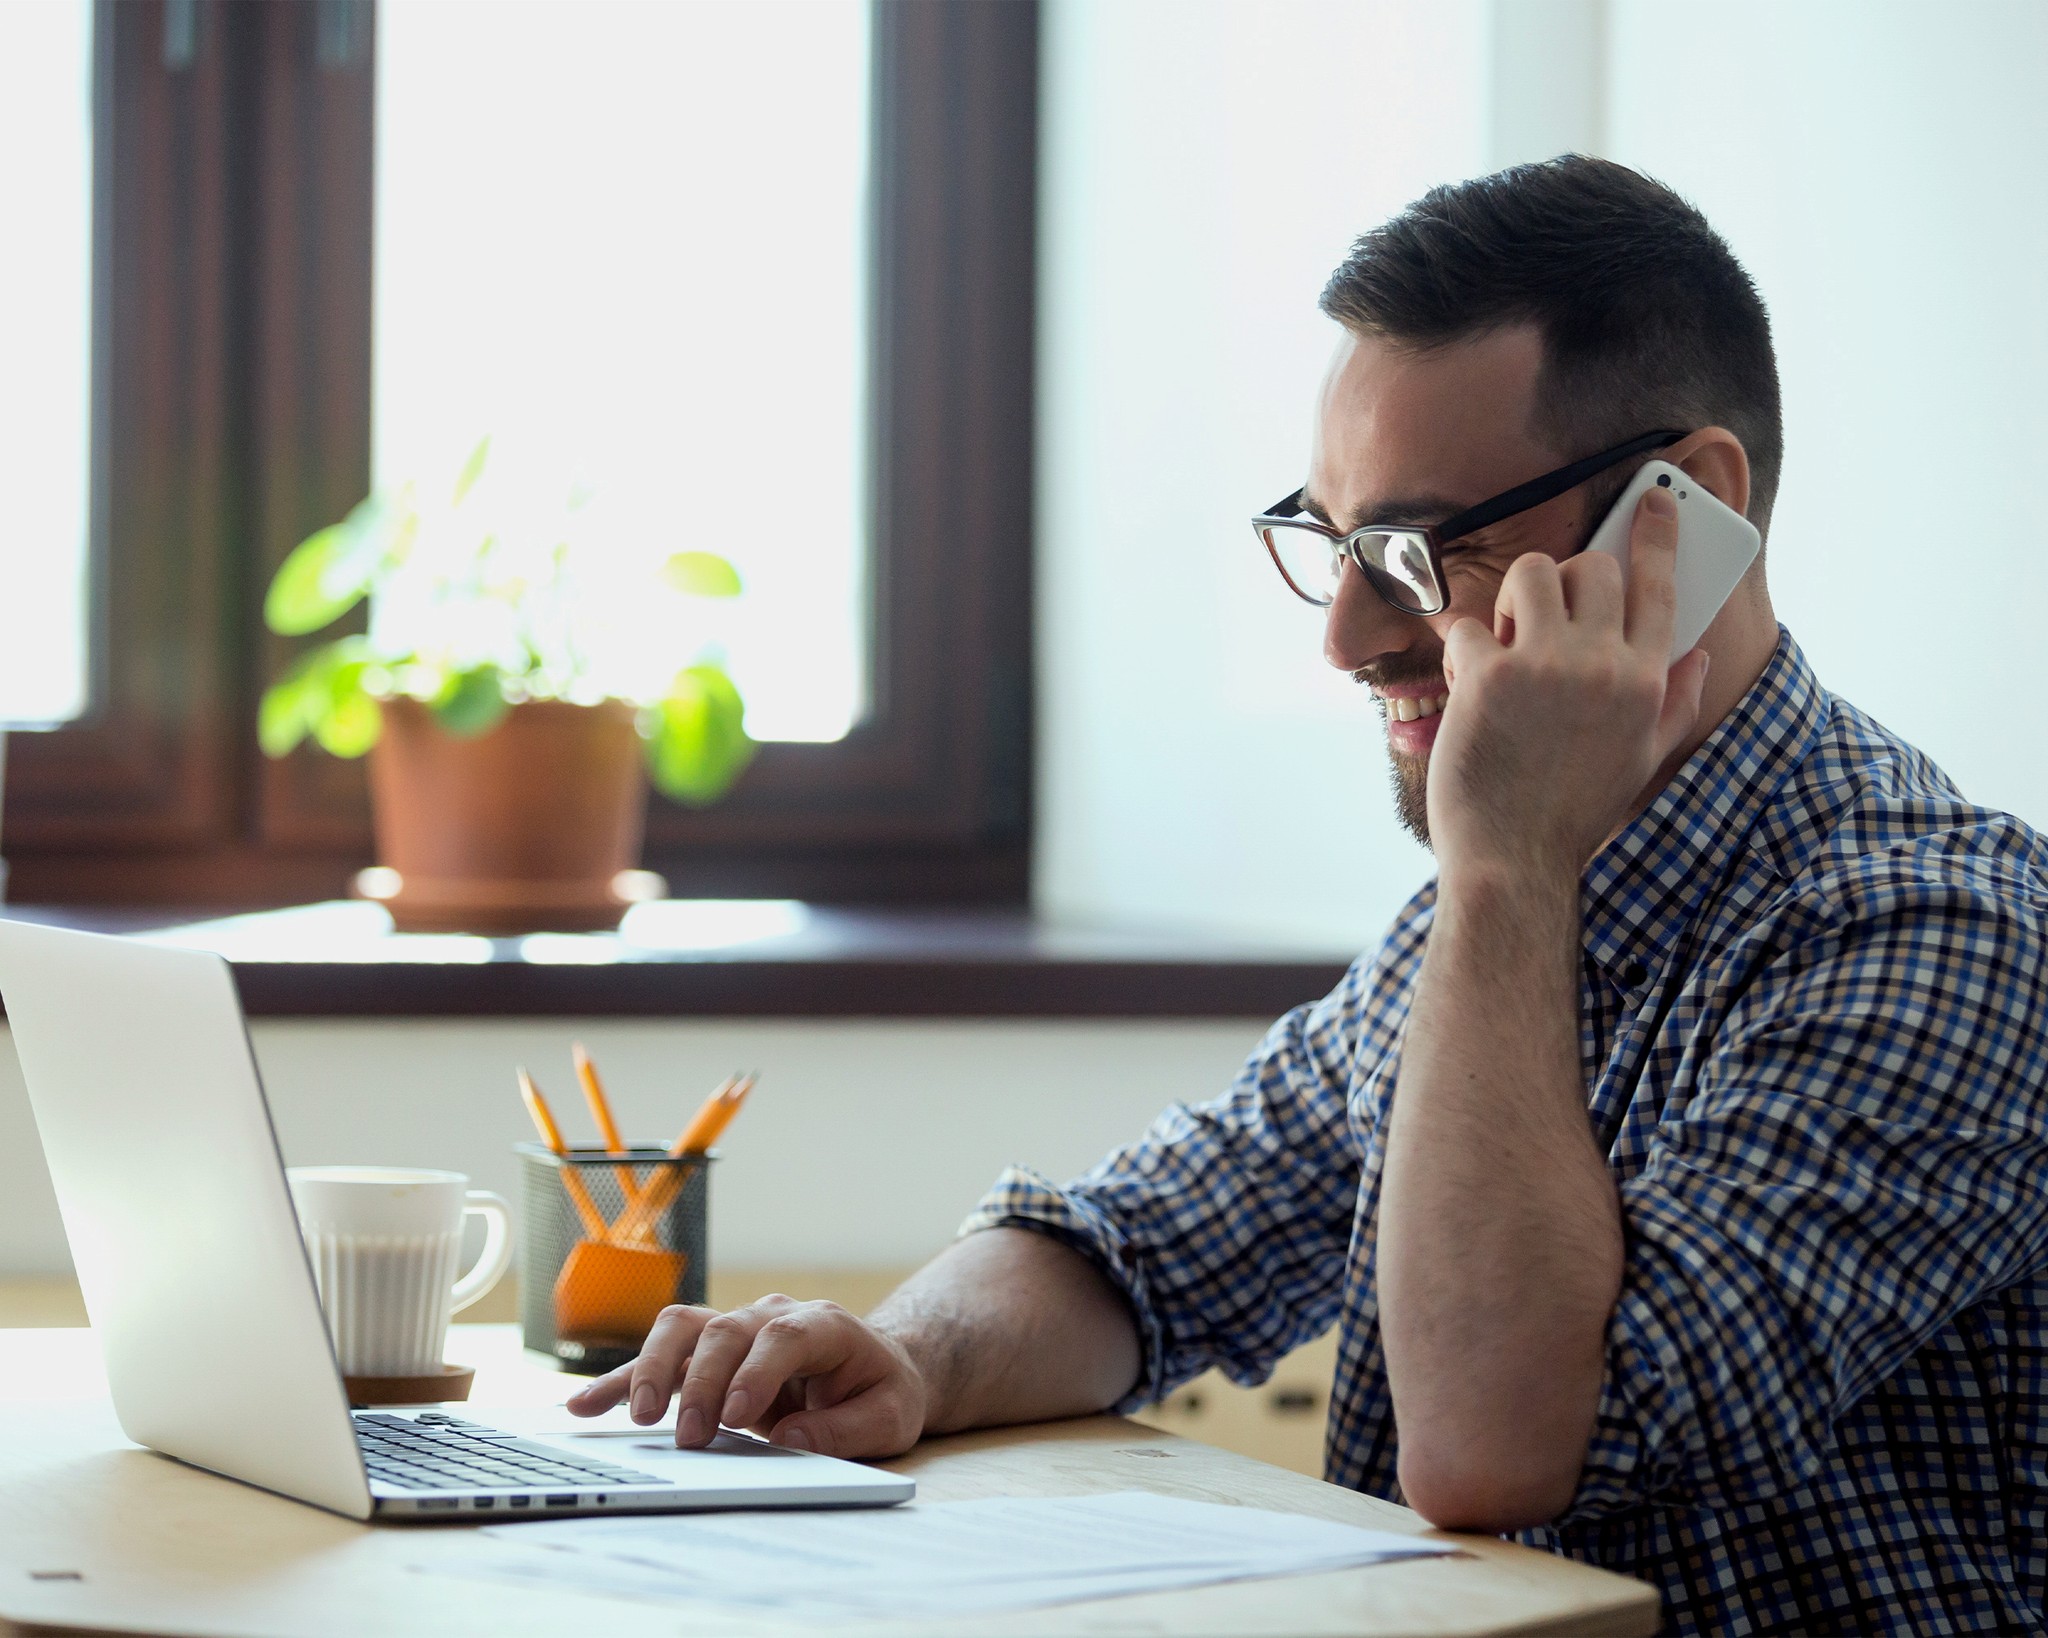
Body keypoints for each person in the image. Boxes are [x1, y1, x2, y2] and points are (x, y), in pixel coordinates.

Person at [568, 156, 2048, 1635]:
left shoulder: (1939, 933)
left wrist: (1507, 866)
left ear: (1683, 517)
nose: (1346, 635)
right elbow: (1140, 1248)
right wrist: (907, 1351)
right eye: (1329, 544)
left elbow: (1503, 1450)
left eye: (1414, 550)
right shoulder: (1479, 925)